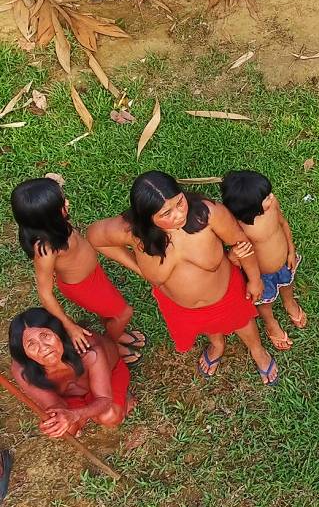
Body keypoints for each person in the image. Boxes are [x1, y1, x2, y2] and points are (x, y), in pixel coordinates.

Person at [87, 171, 278, 384]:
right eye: (165, 213)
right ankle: (217, 344)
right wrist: (139, 268)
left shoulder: (208, 214)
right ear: (146, 218)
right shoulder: (132, 232)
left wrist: (254, 280)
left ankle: (257, 350)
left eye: (180, 202)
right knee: (207, 327)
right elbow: (95, 237)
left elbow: (241, 244)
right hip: (180, 306)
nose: (178, 215)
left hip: (225, 294)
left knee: (243, 323)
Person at [11, 177, 145, 364]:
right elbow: (45, 294)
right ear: (48, 217)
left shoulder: (57, 227)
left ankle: (114, 332)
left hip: (93, 275)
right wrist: (69, 325)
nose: (67, 202)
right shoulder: (45, 250)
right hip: (83, 287)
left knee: (108, 311)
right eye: (62, 204)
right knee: (124, 313)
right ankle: (111, 344)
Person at [8, 308, 133, 437]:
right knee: (66, 429)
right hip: (68, 397)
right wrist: (59, 418)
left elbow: (104, 400)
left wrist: (76, 415)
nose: (44, 348)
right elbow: (54, 405)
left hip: (108, 378)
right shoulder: (23, 371)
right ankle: (85, 411)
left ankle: (123, 397)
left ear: (59, 332)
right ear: (24, 353)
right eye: (31, 344)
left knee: (109, 416)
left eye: (45, 336)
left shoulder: (89, 350)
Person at [221, 171, 307, 351]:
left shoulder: (272, 205)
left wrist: (291, 250)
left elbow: (283, 224)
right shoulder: (239, 229)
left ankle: (288, 302)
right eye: (267, 197)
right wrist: (232, 257)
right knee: (264, 302)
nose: (272, 197)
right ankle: (271, 323)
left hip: (284, 262)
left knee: (287, 284)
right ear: (249, 208)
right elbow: (235, 261)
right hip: (261, 276)